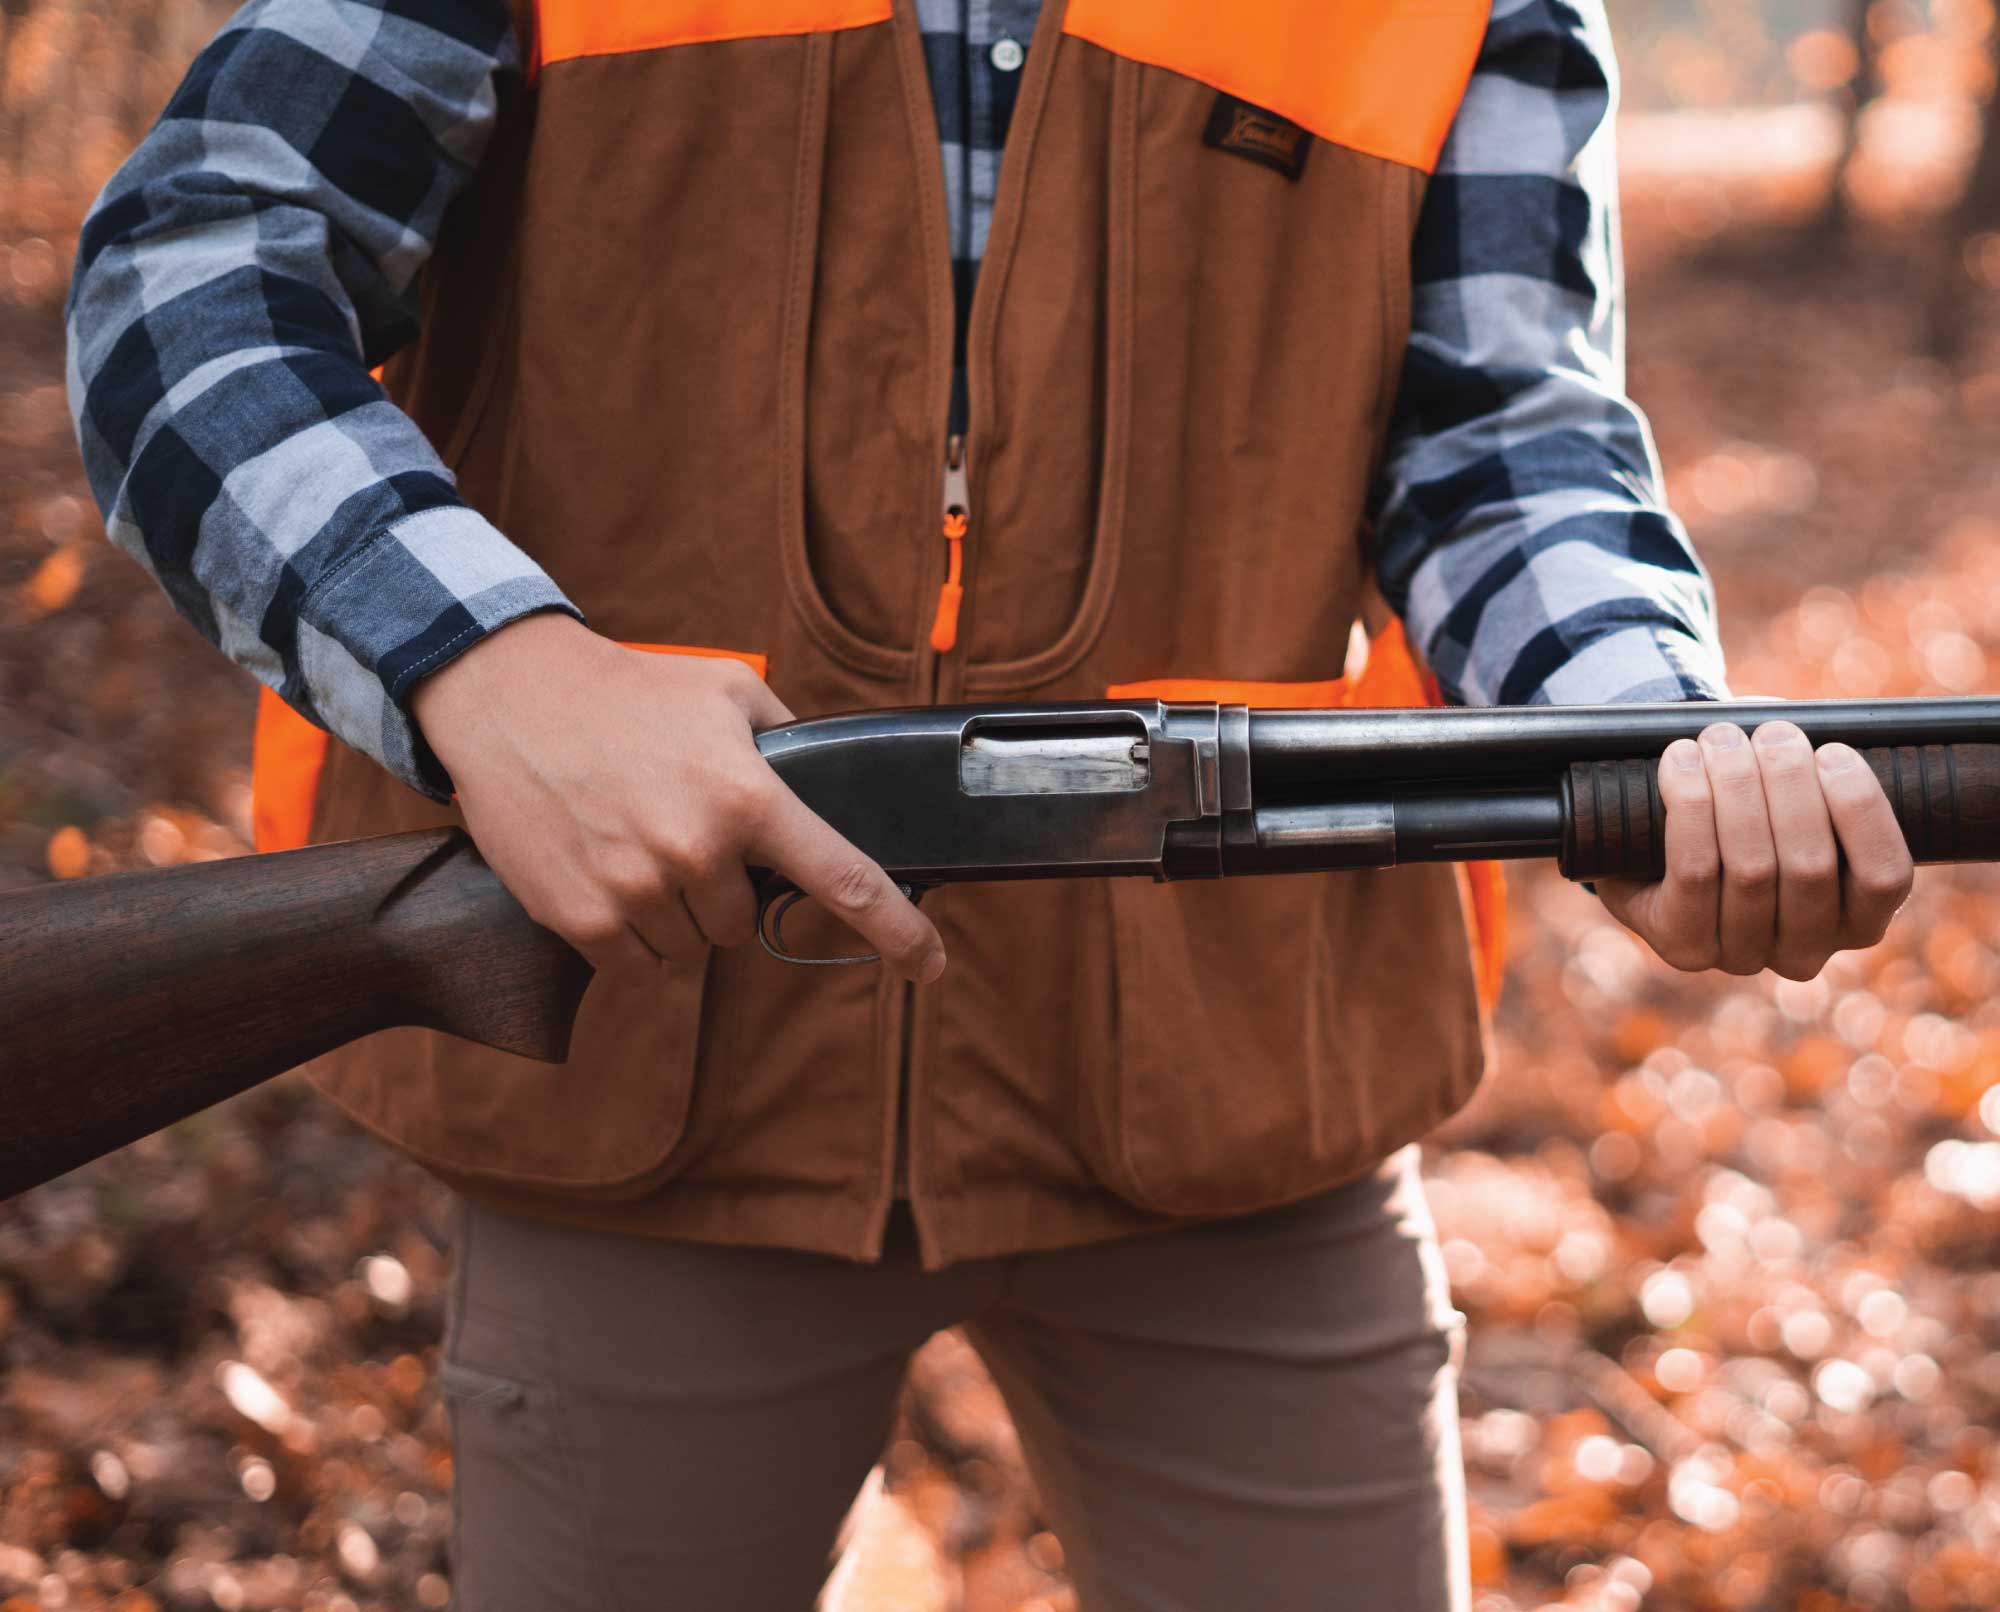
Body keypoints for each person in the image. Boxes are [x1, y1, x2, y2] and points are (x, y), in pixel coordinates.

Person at [65, 1, 1915, 1606]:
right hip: (650, 1068)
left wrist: (1635, 752)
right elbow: (197, 264)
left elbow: (1500, 441)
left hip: (1242, 1090)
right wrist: (490, 665)